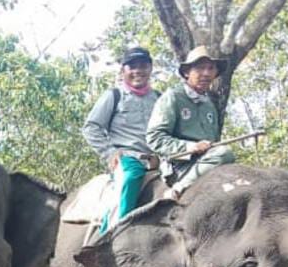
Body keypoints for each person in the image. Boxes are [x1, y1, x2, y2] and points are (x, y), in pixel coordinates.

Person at [82, 47, 160, 233]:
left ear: (150, 69)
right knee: (131, 178)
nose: (137, 71)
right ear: (123, 71)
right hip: (128, 158)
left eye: (143, 65)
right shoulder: (114, 96)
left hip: (158, 160)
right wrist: (110, 152)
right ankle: (109, 236)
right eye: (132, 66)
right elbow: (91, 127)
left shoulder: (160, 98)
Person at [147, 45, 236, 200]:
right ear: (187, 72)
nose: (206, 73)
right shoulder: (173, 97)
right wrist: (191, 147)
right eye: (200, 68)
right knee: (224, 153)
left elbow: (213, 143)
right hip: (179, 166)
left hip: (206, 163)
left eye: (211, 69)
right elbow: (154, 138)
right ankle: (178, 189)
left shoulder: (210, 105)